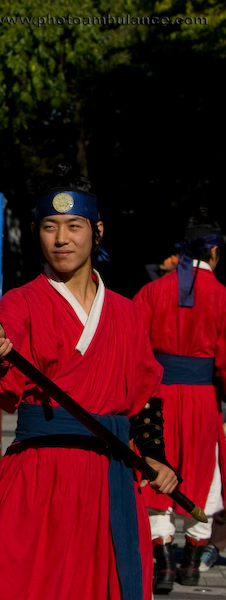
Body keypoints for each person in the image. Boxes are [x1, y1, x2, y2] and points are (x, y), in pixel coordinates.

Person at [0, 165, 178, 600]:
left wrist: (157, 457)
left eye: (74, 226)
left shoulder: (127, 313)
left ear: (97, 230)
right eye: (50, 227)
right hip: (40, 476)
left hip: (110, 479)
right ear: (37, 232)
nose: (62, 239)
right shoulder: (22, 302)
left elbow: (145, 396)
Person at [132, 208, 226, 592]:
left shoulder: (152, 292)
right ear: (215, 252)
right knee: (204, 474)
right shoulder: (221, 296)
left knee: (157, 471)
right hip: (203, 399)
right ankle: (191, 562)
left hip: (158, 397)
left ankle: (164, 563)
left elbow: (133, 349)